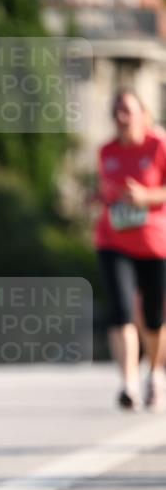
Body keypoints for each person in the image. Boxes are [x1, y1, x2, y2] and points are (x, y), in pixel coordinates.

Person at [96, 89, 166, 412]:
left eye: (127, 110)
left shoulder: (158, 145)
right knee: (122, 310)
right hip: (114, 241)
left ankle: (154, 371)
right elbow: (106, 191)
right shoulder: (106, 151)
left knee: (152, 318)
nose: (121, 117)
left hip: (154, 243)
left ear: (143, 114)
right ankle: (129, 384)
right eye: (116, 111)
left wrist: (146, 197)